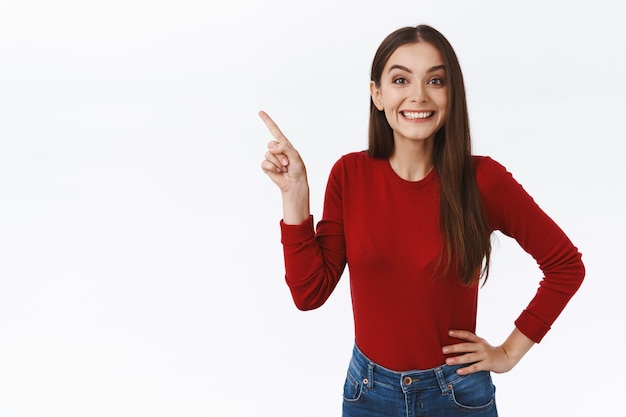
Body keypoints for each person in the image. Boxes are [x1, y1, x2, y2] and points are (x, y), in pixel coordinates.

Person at [259, 24, 584, 417]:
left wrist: (508, 352)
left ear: (452, 94)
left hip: (457, 394)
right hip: (368, 394)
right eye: (400, 80)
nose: (418, 96)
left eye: (435, 80)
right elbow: (308, 294)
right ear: (377, 94)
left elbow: (566, 265)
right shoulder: (349, 175)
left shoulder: (484, 181)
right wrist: (294, 193)